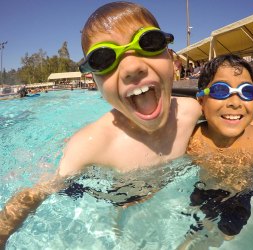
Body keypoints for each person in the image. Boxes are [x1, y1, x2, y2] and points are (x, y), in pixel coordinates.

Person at [0, 2, 202, 247]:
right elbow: (35, 194)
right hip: (114, 198)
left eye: (148, 42)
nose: (132, 67)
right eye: (104, 59)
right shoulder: (90, 145)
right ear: (94, 82)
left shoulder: (192, 111)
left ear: (170, 57)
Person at [180, 54, 253, 246]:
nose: (235, 102)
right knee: (193, 231)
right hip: (204, 189)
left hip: (240, 196)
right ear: (201, 102)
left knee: (227, 235)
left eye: (246, 91)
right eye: (221, 90)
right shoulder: (191, 138)